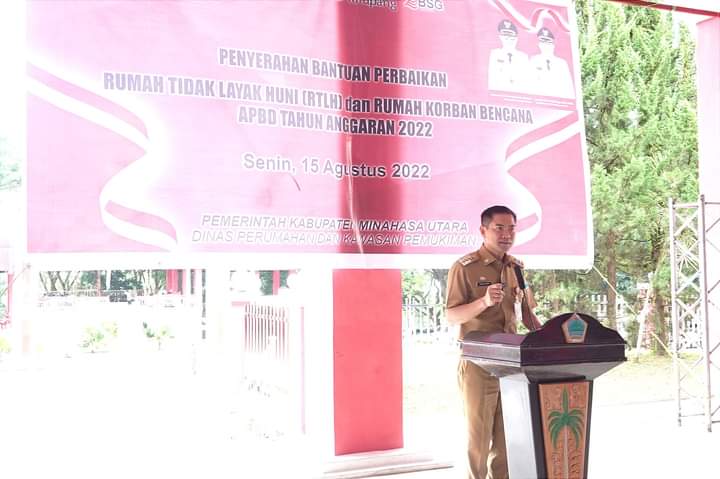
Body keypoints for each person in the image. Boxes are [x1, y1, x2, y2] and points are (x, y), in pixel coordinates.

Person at [446, 205, 542, 479]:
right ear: (483, 230)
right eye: (499, 228)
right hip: (478, 365)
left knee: (507, 439)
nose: (506, 234)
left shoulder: (516, 268)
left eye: (511, 228)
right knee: (478, 440)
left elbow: (528, 316)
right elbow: (452, 315)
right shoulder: (464, 267)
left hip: (510, 365)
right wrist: (484, 301)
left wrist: (550, 336)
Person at [529, 27, 574, 98]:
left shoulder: (561, 63)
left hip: (558, 99)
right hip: (539, 99)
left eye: (548, 43)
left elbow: (568, 87)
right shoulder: (534, 60)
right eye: (543, 43)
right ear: (539, 45)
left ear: (553, 45)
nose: (545, 46)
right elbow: (530, 84)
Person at [487, 19, 530, 93]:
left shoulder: (523, 57)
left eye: (511, 37)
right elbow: (491, 79)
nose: (508, 39)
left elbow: (527, 81)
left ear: (516, 38)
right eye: (505, 36)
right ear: (500, 37)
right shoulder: (494, 54)